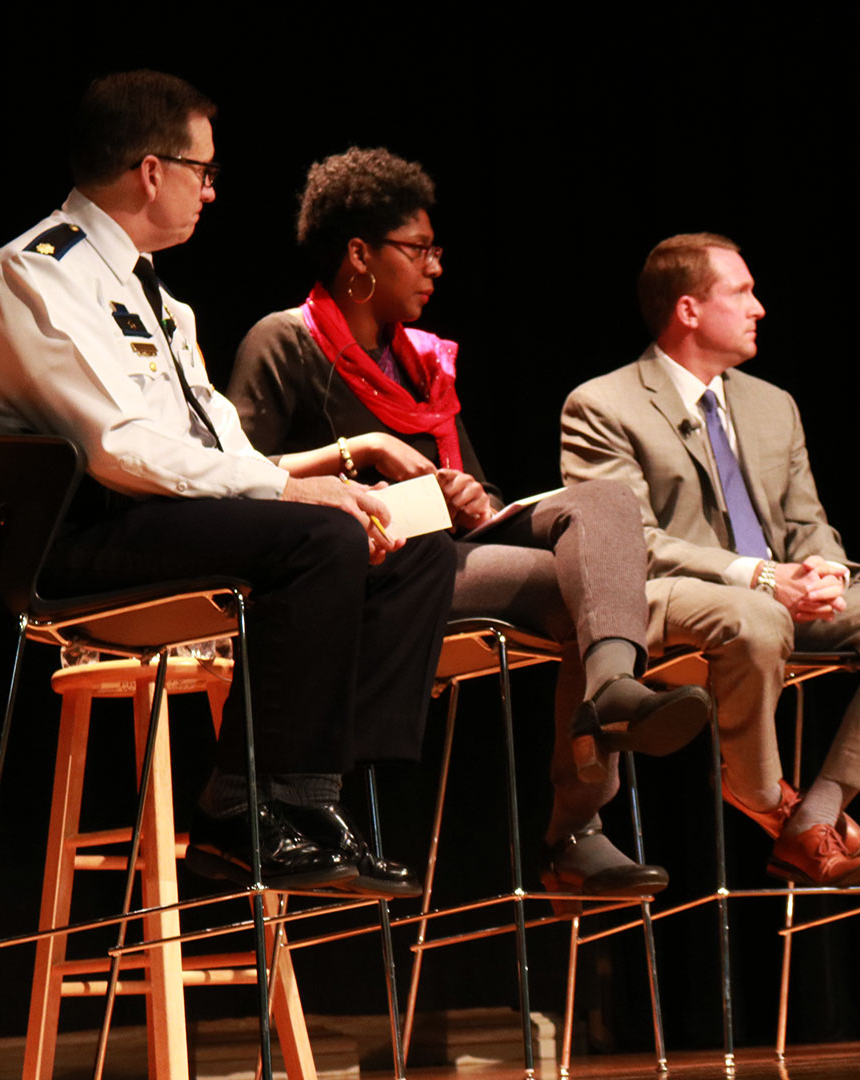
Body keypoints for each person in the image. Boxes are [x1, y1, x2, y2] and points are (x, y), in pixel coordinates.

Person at [0, 71, 458, 897]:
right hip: (75, 538)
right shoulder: (37, 275)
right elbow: (120, 450)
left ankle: (310, 795)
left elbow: (216, 443)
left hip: (161, 519)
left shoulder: (161, 297)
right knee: (319, 537)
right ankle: (242, 807)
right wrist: (297, 495)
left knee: (411, 543)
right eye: (204, 171)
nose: (212, 190)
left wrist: (327, 481)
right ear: (152, 170)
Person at [227, 148, 712, 904]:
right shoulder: (284, 341)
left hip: (449, 547)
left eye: (436, 251)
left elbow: (476, 483)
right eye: (418, 250)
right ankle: (576, 830)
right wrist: (361, 475)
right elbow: (243, 476)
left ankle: (615, 688)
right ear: (361, 254)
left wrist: (471, 496)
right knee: (596, 587)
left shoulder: (422, 362)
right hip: (372, 567)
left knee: (606, 506)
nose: (435, 268)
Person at [561, 234, 860, 887]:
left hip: (778, 592)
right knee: (757, 615)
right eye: (742, 292)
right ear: (689, 310)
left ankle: (814, 817)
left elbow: (807, 521)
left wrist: (822, 571)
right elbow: (628, 541)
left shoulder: (772, 404)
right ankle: (755, 788)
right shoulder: (603, 405)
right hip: (672, 594)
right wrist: (761, 577)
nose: (760, 307)